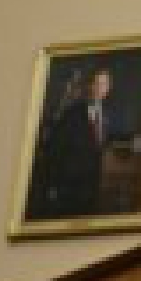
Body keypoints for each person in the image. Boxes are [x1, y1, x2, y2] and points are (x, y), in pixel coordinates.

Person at [31, 66, 117, 218]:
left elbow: (101, 147)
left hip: (92, 190)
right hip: (68, 190)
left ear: (108, 89)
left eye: (104, 84)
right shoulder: (72, 114)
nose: (100, 88)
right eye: (97, 83)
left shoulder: (108, 116)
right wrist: (52, 187)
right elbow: (54, 151)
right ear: (90, 85)